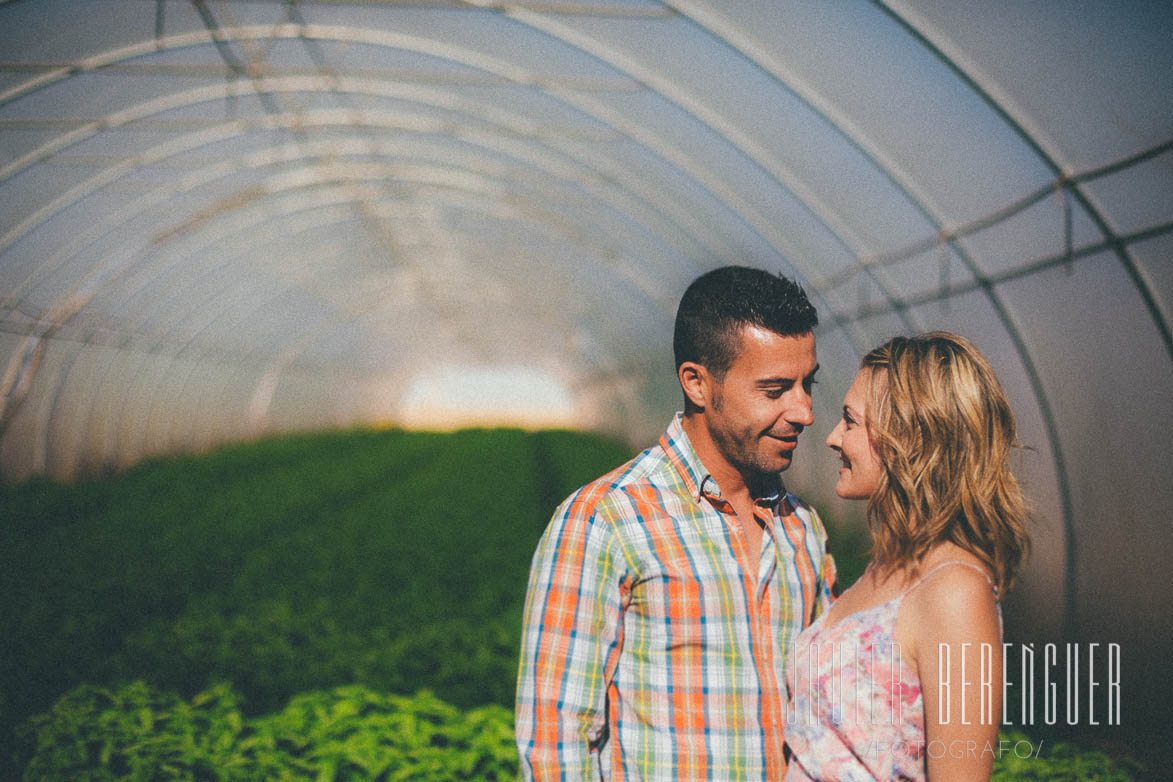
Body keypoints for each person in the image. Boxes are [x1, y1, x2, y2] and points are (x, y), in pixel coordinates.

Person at [515, 265, 839, 781]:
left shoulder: (801, 527)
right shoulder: (605, 521)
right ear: (697, 383)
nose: (803, 411)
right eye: (775, 390)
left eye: (807, 385)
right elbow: (556, 741)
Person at [784, 332, 1030, 782]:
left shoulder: (955, 592)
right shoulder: (885, 568)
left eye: (851, 421)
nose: (833, 438)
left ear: (909, 438)